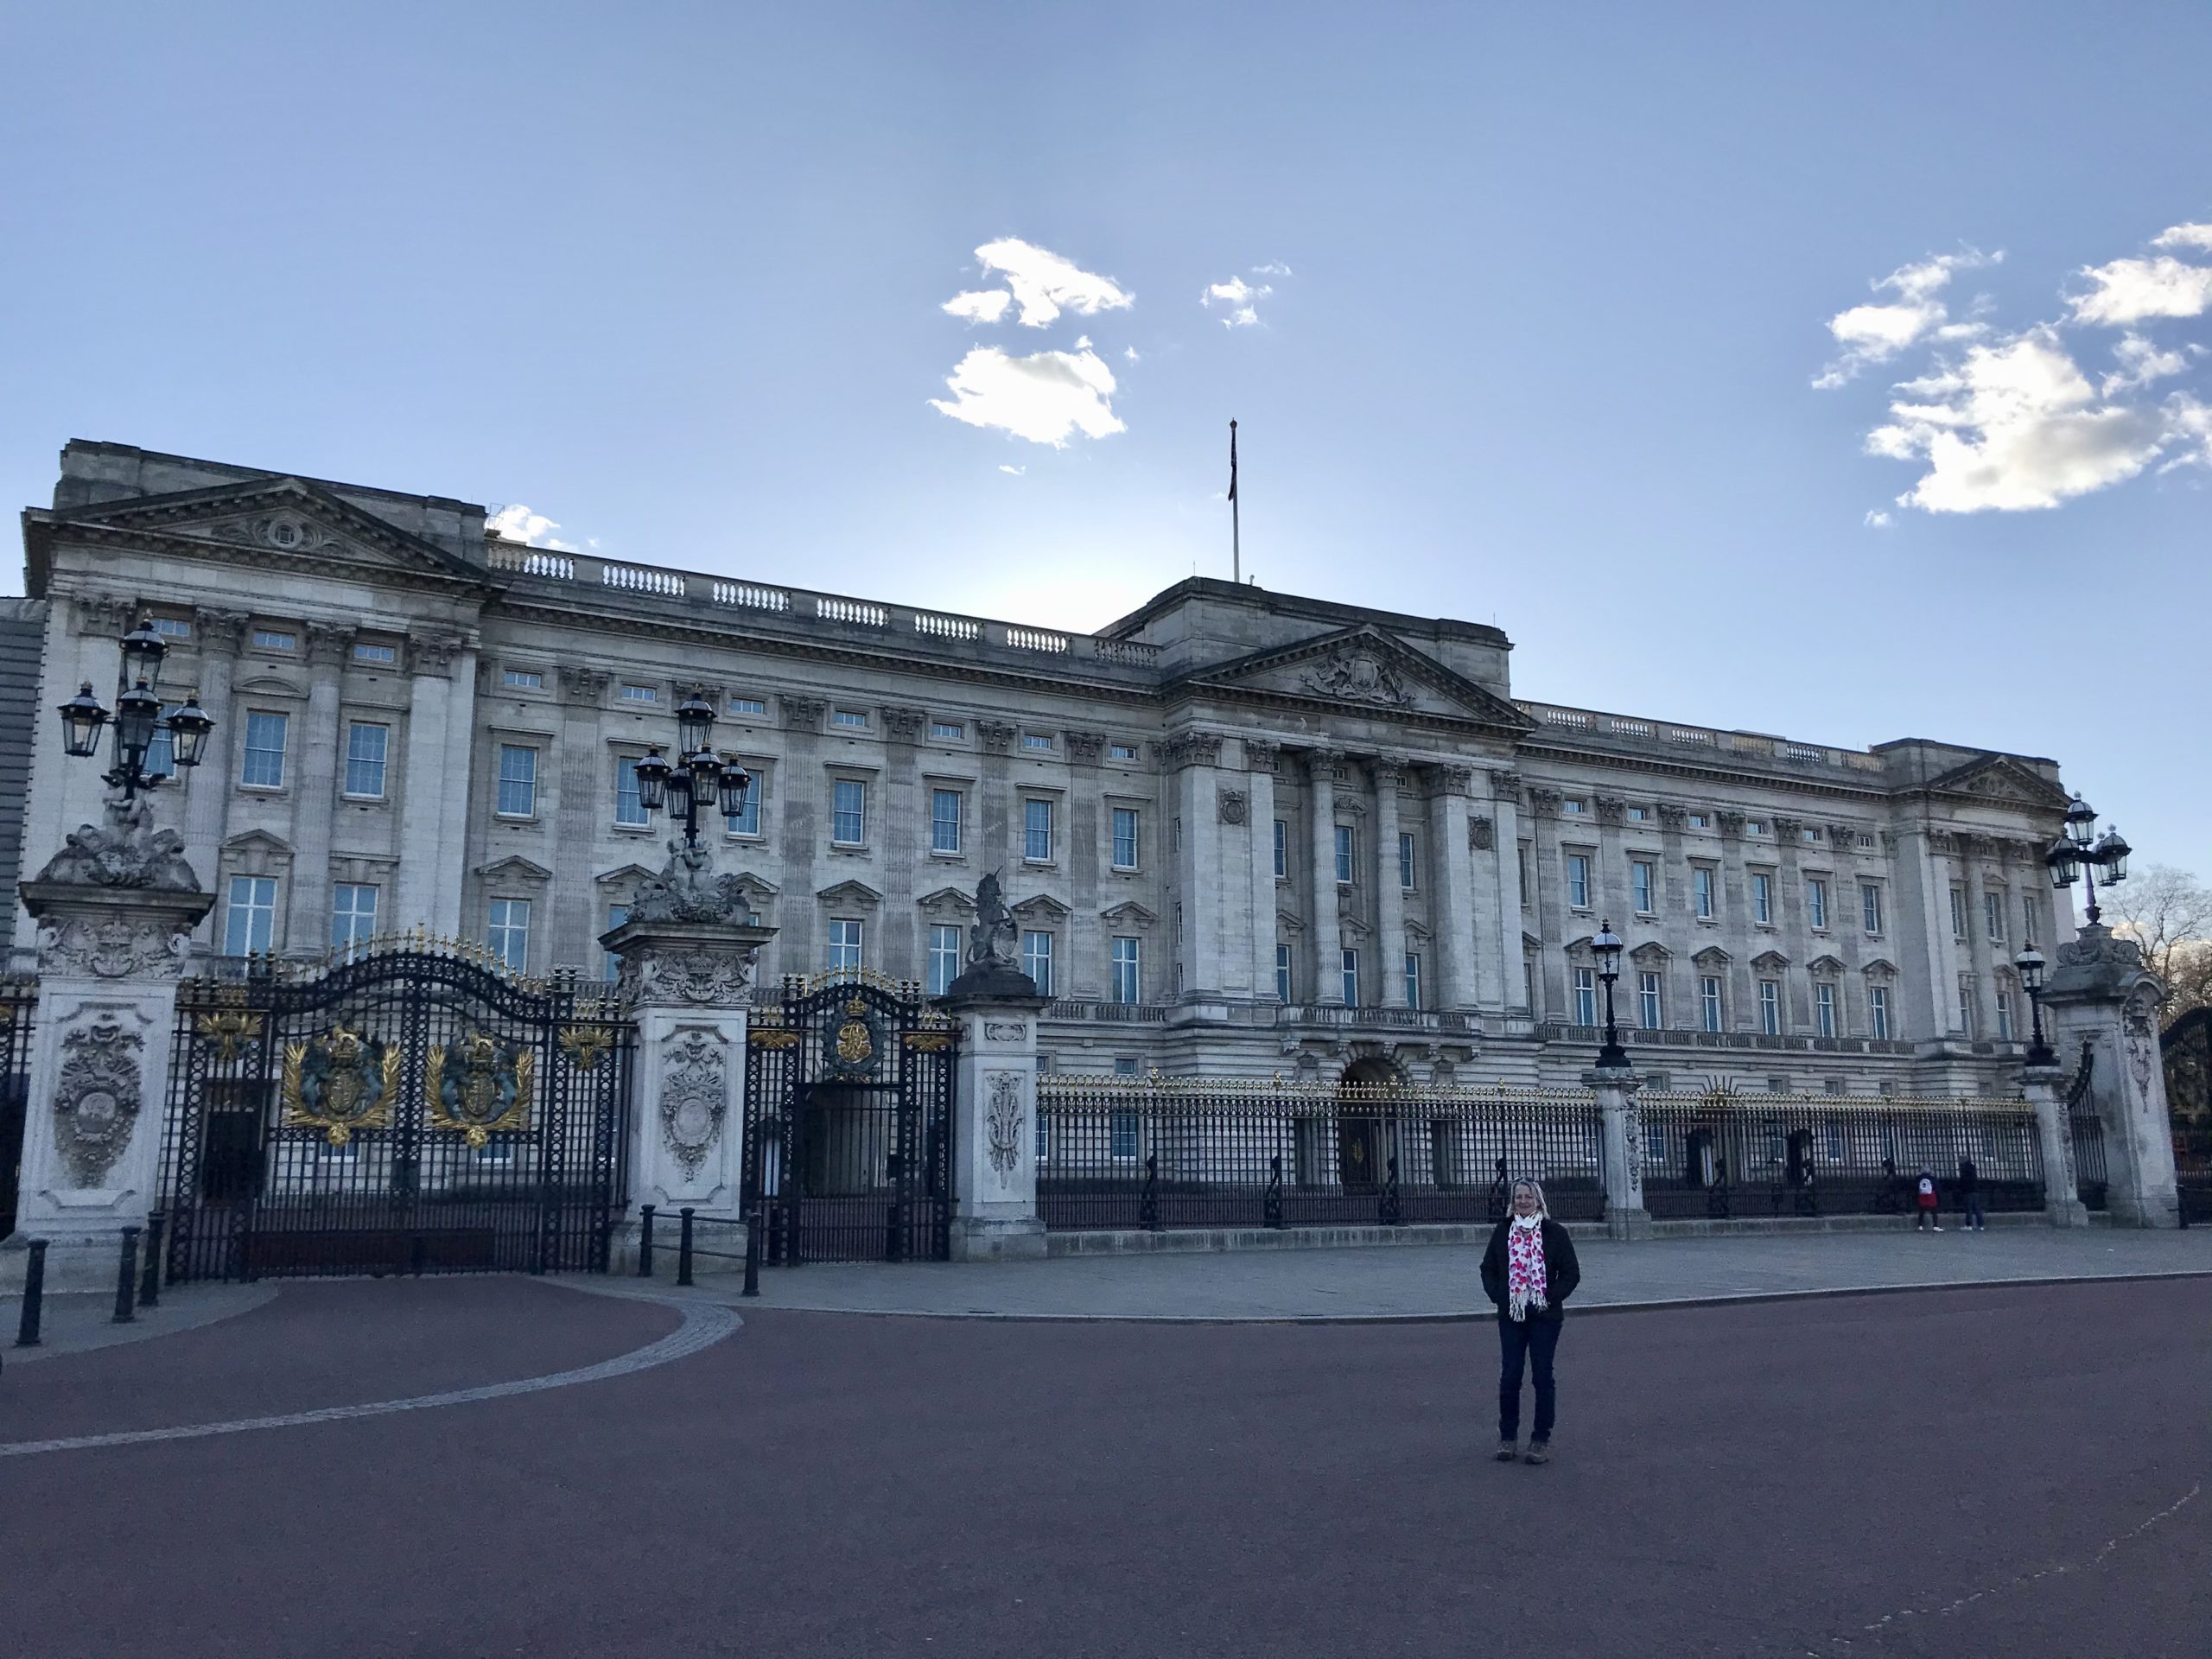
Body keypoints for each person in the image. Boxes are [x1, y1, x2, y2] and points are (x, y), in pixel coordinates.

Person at [1479, 1178, 1581, 1465]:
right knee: (1510, 1376)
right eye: (1519, 1197)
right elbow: (1488, 1268)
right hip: (1512, 1313)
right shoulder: (1503, 1231)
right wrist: (1498, 1296)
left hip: (1545, 1317)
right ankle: (1508, 1437)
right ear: (1513, 1201)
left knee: (1541, 1376)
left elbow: (1571, 1273)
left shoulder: (1554, 1233)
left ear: (1538, 1200)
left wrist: (1548, 1297)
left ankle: (1540, 1439)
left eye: (1528, 1196)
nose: (1523, 1201)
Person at [1956, 1154, 1985, 1232]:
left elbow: (1963, 1181)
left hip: (1968, 1191)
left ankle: (1969, 1224)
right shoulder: (1972, 1167)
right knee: (1976, 1208)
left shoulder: (1964, 1169)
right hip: (1975, 1190)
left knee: (1968, 1208)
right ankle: (1981, 1225)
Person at [1914, 1165, 1942, 1232]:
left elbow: (1915, 1187)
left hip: (1922, 1195)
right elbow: (1937, 1188)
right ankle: (1935, 1225)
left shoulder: (1918, 1178)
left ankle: (1920, 1225)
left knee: (1922, 1211)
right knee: (1934, 1211)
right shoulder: (1932, 1178)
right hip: (1931, 1195)